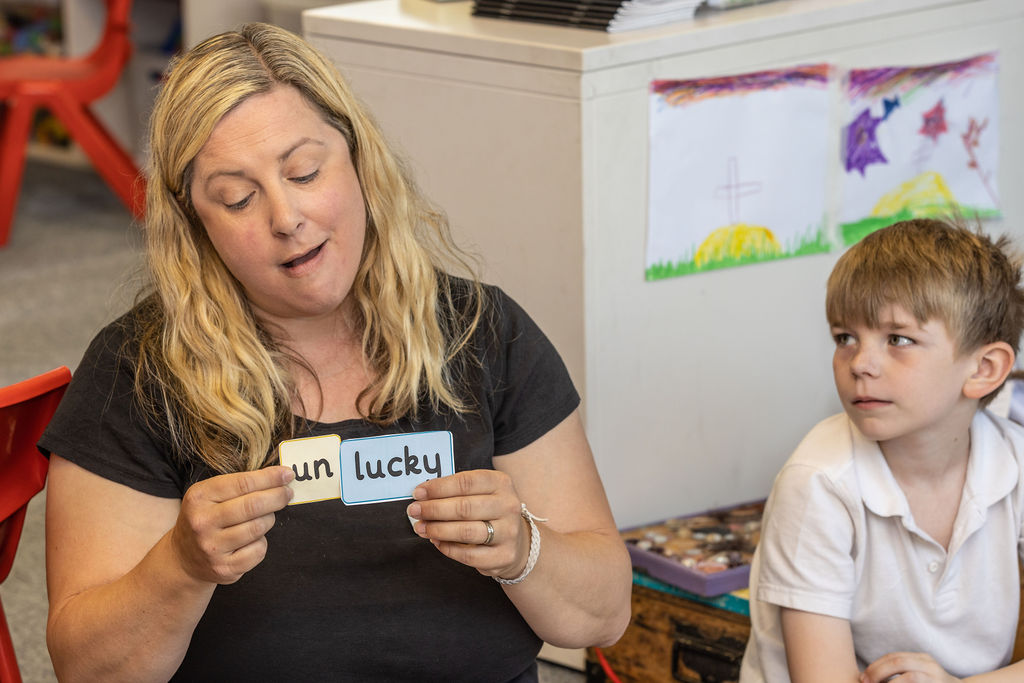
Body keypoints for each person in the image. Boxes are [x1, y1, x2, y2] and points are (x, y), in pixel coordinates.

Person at [40, 23, 632, 682]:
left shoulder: (483, 333)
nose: (286, 217)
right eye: (238, 198)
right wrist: (179, 567)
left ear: (357, 158)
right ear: (195, 226)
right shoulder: (136, 373)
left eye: (304, 171)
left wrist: (525, 549)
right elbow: (88, 671)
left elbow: (603, 615)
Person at [740, 217, 1024, 682]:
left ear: (985, 369)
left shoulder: (1015, 461)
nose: (860, 364)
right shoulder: (817, 483)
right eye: (844, 338)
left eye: (898, 339)